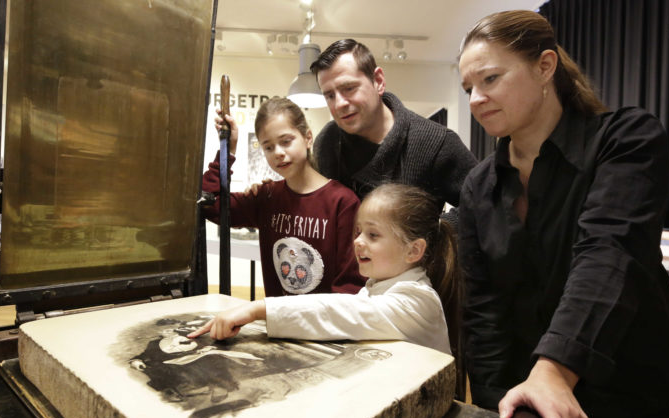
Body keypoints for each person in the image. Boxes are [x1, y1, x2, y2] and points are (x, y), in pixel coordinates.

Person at [457, 10, 669, 418]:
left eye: (490, 79)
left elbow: (608, 254)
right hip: (529, 407)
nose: (475, 99)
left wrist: (554, 372)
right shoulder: (479, 187)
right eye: (468, 85)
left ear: (545, 66)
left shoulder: (627, 140)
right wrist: (495, 417)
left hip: (632, 402)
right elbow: (485, 312)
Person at [189, 184, 464, 362]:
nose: (357, 242)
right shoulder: (377, 286)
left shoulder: (417, 300)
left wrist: (258, 309)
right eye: (358, 233)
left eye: (373, 234)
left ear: (413, 251)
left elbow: (342, 311)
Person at [203, 96, 364, 297]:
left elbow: (349, 287)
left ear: (307, 138)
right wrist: (228, 149)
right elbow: (210, 204)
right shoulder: (267, 196)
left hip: (324, 326)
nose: (278, 153)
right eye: (268, 147)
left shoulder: (342, 203)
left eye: (286, 141)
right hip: (278, 325)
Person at [309, 39, 477, 208]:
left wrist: (436, 233)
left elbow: (481, 204)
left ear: (378, 81)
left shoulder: (437, 142)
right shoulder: (326, 141)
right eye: (330, 96)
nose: (339, 104)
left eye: (349, 88)